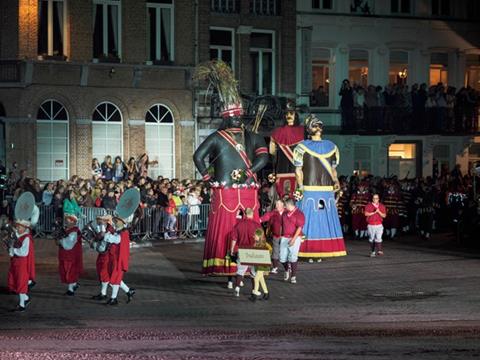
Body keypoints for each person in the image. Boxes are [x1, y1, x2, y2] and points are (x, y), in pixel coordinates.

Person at [193, 60, 269, 276]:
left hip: (224, 190)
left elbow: (197, 157)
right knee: (251, 227)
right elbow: (263, 160)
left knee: (225, 227)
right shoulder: (254, 136)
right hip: (247, 188)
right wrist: (248, 171)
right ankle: (253, 265)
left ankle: (221, 263)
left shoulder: (217, 136)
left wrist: (208, 178)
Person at [293, 114, 346, 261]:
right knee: (312, 220)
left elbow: (333, 170)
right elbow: (298, 170)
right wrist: (300, 187)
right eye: (315, 125)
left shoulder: (332, 146)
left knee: (320, 221)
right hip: (310, 191)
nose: (318, 127)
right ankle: (308, 250)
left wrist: (336, 182)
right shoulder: (301, 147)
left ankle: (321, 249)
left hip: (324, 191)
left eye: (320, 125)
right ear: (309, 128)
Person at [269, 100, 305, 199]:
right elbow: (272, 152)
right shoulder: (277, 132)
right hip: (282, 170)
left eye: (291, 113)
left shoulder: (303, 131)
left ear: (296, 115)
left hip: (298, 172)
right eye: (286, 114)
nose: (288, 116)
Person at [103, 215, 135, 305]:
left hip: (119, 259)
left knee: (115, 278)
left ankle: (114, 298)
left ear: (122, 222)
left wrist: (108, 234)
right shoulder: (119, 231)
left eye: (117, 221)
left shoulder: (123, 232)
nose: (116, 222)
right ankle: (129, 291)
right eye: (115, 221)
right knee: (115, 277)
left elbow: (114, 240)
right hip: (114, 258)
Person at [228, 207, 260, 297]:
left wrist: (232, 249)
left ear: (245, 214)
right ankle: (254, 290)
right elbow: (260, 239)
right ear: (252, 214)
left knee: (240, 271)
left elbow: (234, 238)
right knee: (254, 272)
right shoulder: (257, 225)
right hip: (253, 251)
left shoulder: (239, 225)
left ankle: (237, 288)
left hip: (242, 250)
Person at [7, 219, 34, 312]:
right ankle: (25, 299)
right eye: (17, 226)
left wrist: (14, 250)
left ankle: (22, 304)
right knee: (15, 280)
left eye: (19, 226)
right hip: (15, 261)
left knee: (21, 282)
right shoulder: (17, 236)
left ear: (25, 228)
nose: (17, 228)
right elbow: (11, 250)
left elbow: (24, 252)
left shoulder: (26, 238)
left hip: (22, 263)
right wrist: (10, 248)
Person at [279, 198, 305, 284]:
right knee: (282, 258)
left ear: (289, 204)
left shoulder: (299, 214)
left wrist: (293, 239)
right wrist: (280, 236)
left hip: (295, 237)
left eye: (285, 205)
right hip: (284, 237)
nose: (284, 206)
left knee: (293, 257)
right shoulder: (284, 213)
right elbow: (282, 226)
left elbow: (299, 227)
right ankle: (287, 269)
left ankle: (293, 276)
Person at [57, 214, 83, 296]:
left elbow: (69, 244)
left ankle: (71, 289)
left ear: (73, 222)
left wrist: (60, 240)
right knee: (68, 271)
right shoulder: (69, 230)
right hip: (67, 255)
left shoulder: (74, 232)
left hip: (70, 255)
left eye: (69, 220)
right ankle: (73, 285)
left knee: (70, 271)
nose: (66, 221)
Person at [260, 199, 285, 273]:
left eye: (278, 204)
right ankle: (275, 267)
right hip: (276, 235)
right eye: (276, 204)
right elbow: (267, 216)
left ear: (282, 205)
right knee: (275, 251)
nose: (276, 206)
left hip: (285, 236)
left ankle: (288, 267)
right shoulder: (274, 212)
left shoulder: (287, 212)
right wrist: (260, 220)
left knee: (285, 252)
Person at [249, 228, 271, 302]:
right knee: (261, 279)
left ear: (259, 236)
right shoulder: (256, 243)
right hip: (259, 265)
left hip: (263, 265)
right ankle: (266, 293)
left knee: (256, 279)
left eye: (255, 235)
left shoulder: (264, 245)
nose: (253, 236)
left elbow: (268, 254)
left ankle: (254, 295)